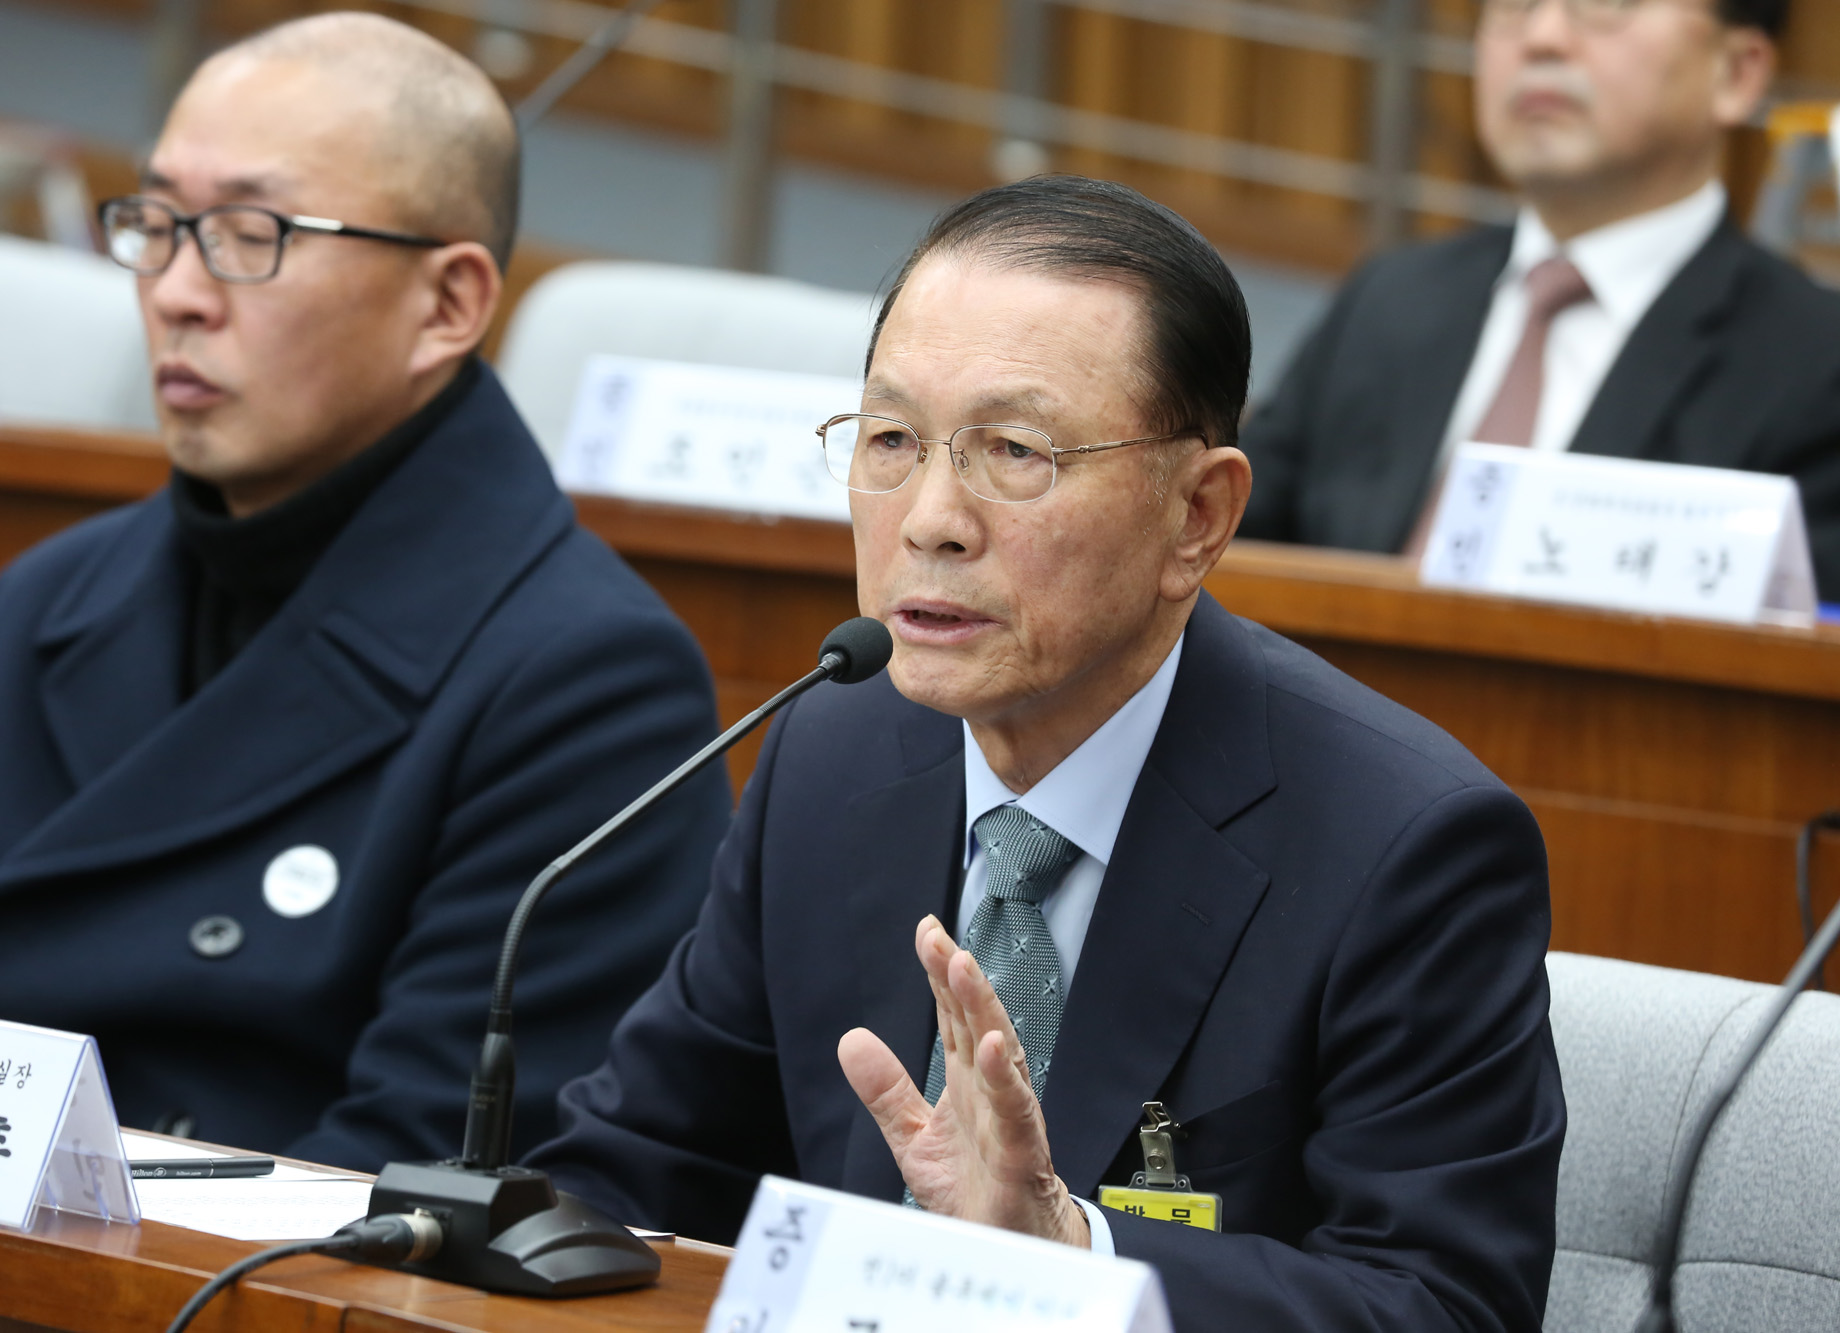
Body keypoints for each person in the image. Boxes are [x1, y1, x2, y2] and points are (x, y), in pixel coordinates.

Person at [526, 176, 1566, 1331]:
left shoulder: (1403, 845)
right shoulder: (834, 748)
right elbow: (632, 1169)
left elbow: (1440, 1306)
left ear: (1198, 519)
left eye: (1013, 451)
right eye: (890, 439)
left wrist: (1072, 1260)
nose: (928, 517)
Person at [0, 13, 730, 1172]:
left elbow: (424, 1179)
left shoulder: (587, 677)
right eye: (157, 223)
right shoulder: (45, 602)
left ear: (447, 305)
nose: (176, 290)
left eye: (247, 234)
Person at [1239, 0, 1840, 599]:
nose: (1543, 37)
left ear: (1736, 73)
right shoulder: (1394, 296)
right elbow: (1233, 538)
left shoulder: (1815, 363)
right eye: (1513, 5)